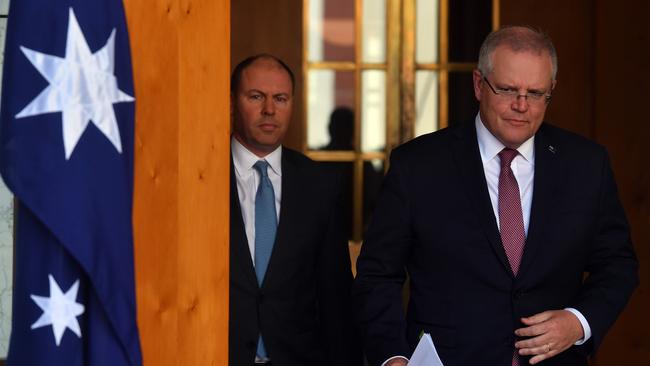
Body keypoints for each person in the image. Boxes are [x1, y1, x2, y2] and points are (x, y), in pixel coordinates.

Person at [354, 26, 638, 366]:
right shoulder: (417, 164)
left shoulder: (587, 165)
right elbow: (378, 273)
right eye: (507, 89)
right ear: (478, 84)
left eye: (535, 93)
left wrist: (578, 322)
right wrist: (392, 355)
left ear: (552, 91)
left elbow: (618, 264)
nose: (521, 105)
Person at [229, 54, 359, 366]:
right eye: (256, 96)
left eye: (281, 98)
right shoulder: (200, 181)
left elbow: (335, 297)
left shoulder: (319, 185)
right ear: (232, 102)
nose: (269, 109)